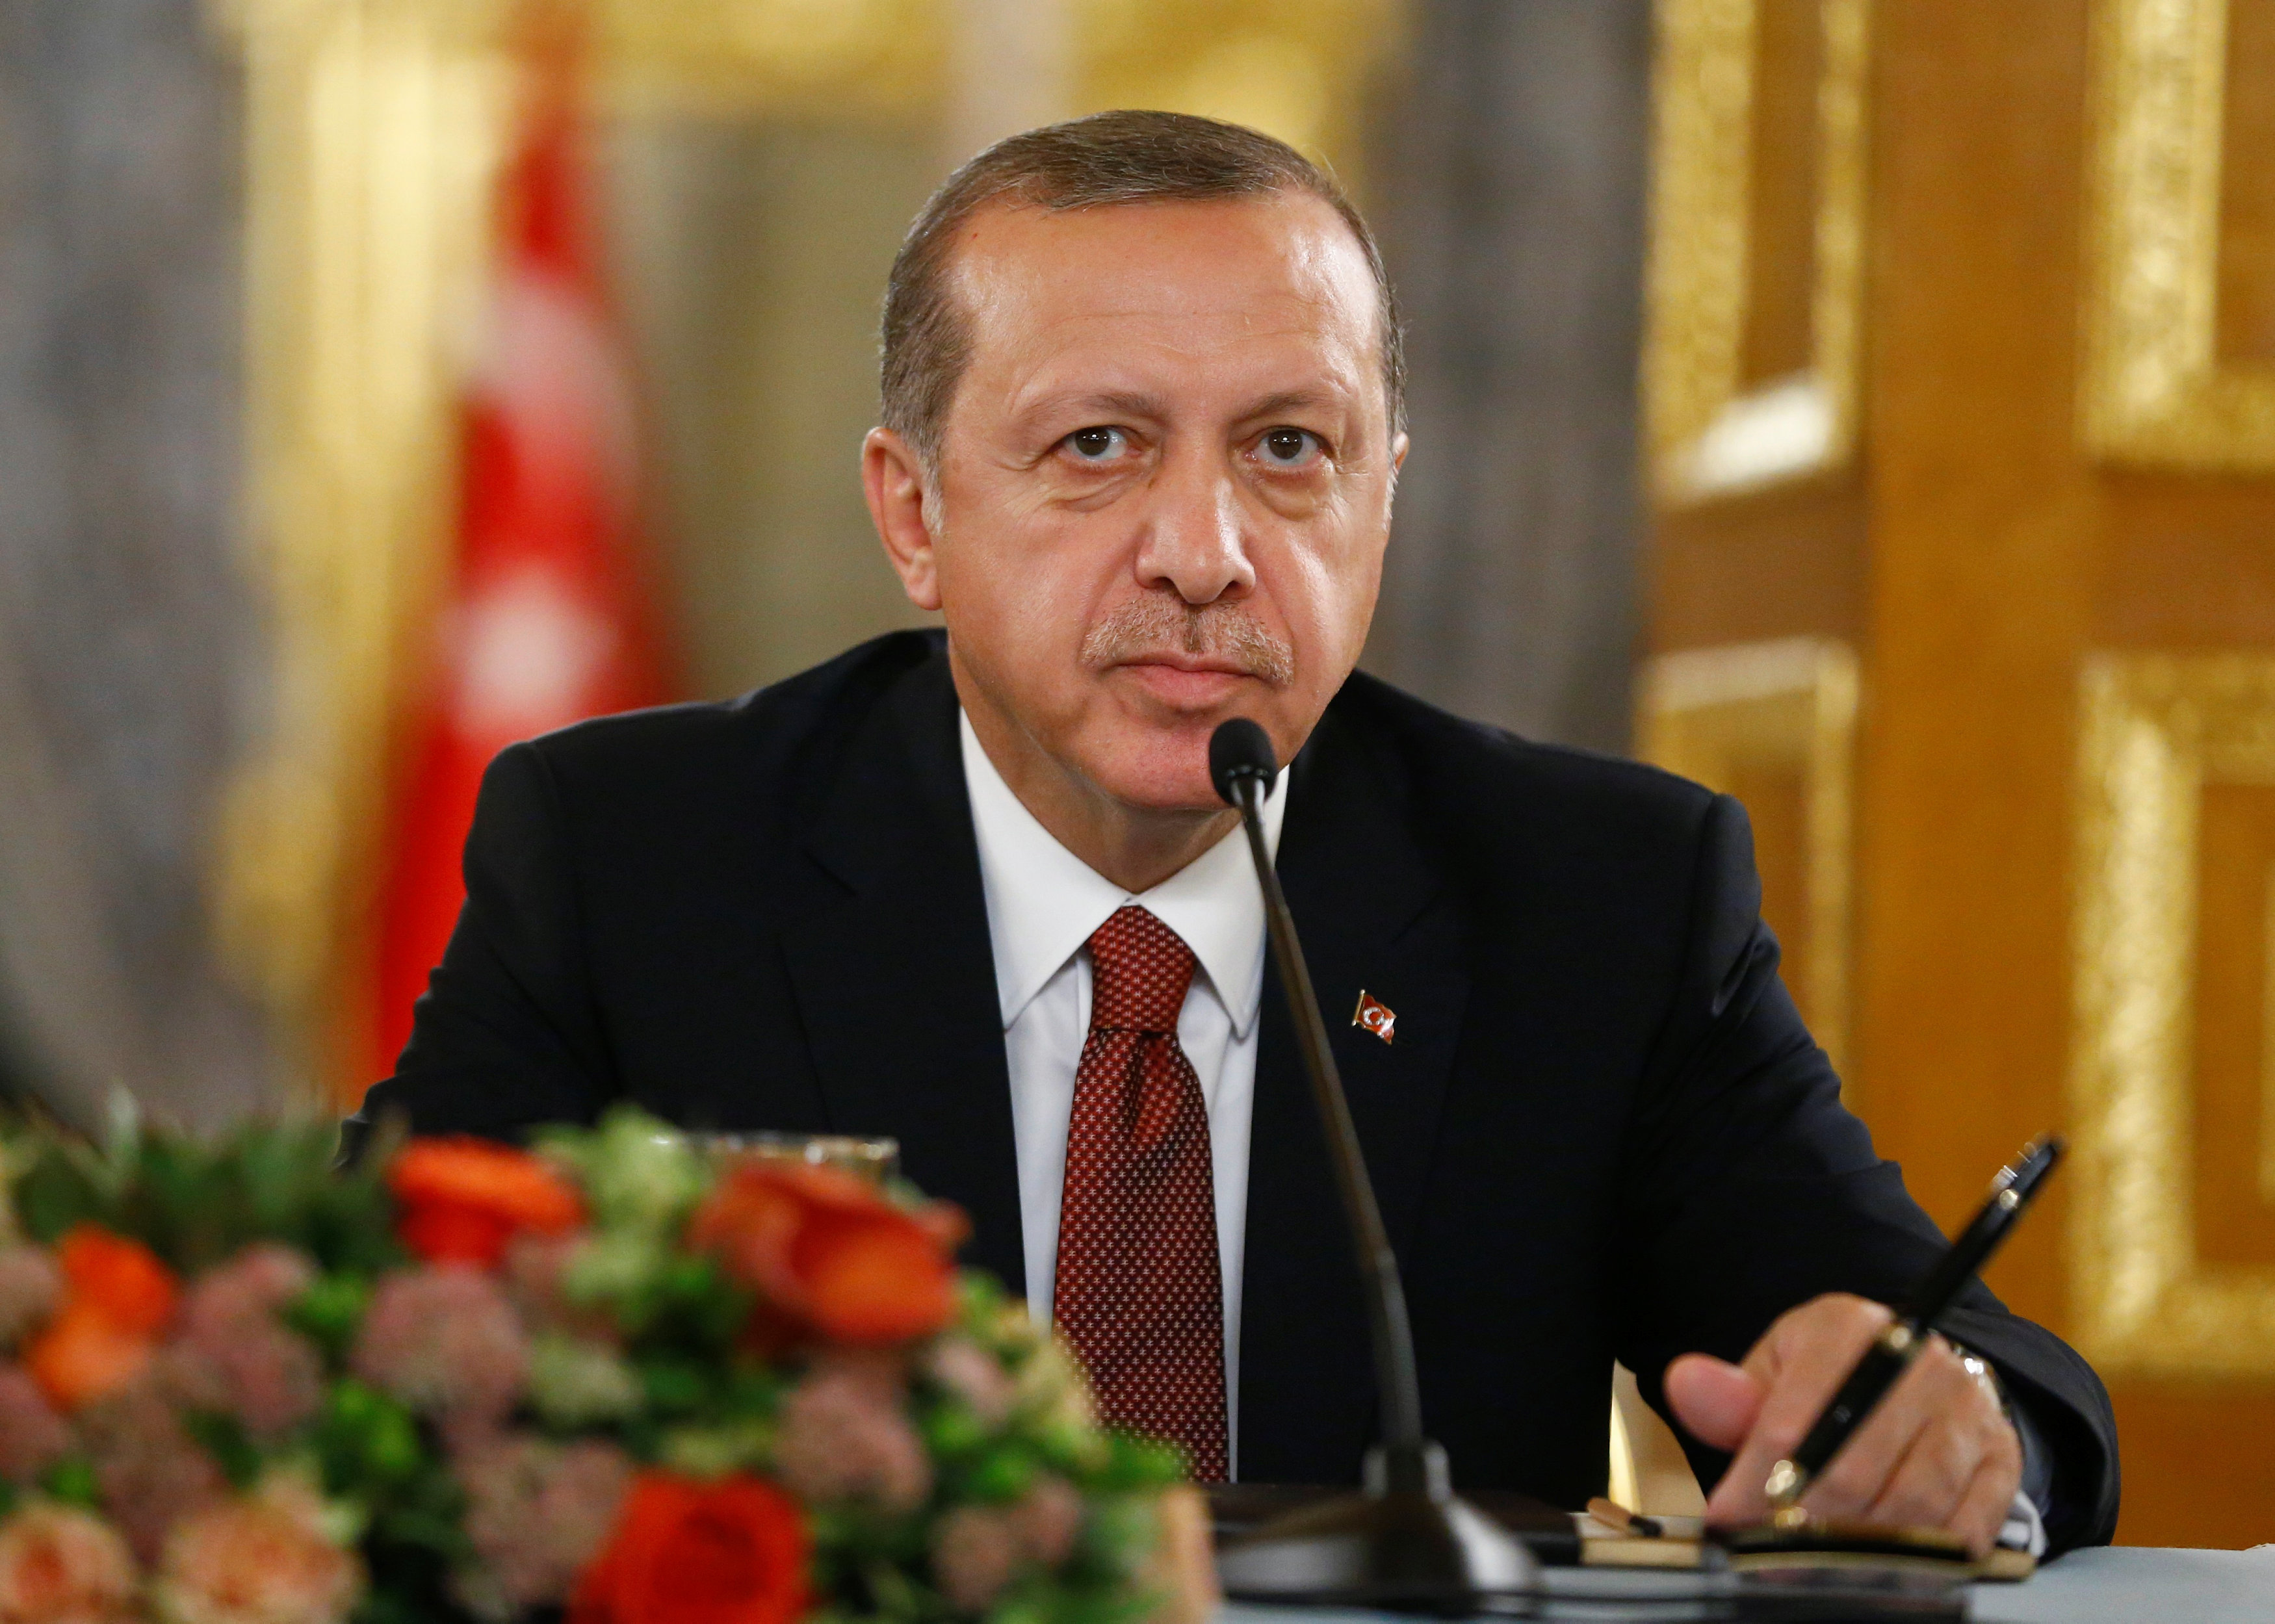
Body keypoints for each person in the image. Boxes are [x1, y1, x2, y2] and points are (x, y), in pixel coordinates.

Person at [350, 111, 2118, 1554]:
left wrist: (1945, 1424)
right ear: (915, 514)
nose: (1202, 549)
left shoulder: (1590, 897)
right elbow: (358, 1348)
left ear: (1383, 497)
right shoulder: (639, 857)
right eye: (1099, 445)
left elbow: (1957, 1363)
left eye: (1288, 449)